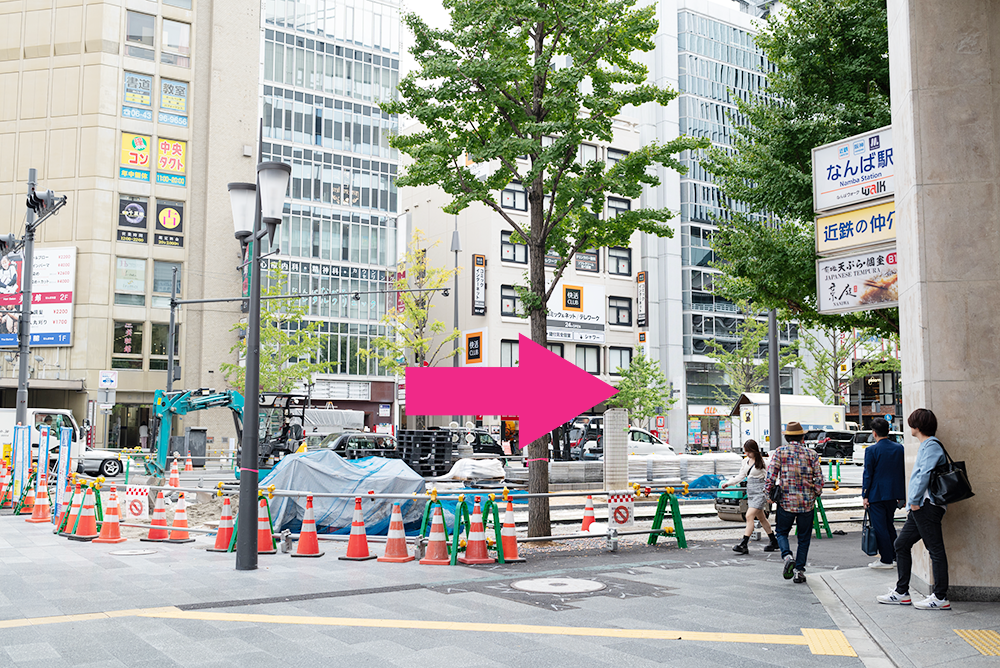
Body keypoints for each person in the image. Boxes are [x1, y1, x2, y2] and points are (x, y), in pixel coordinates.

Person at [877, 408, 951, 610]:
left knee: (935, 550)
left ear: (917, 426)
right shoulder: (926, 445)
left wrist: (914, 501)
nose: (909, 426)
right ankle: (902, 592)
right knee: (901, 544)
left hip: (926, 505)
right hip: (920, 506)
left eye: (911, 423)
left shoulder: (931, 445)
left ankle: (940, 597)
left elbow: (923, 474)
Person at [763, 421, 824, 584]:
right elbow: (819, 477)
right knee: (804, 538)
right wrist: (816, 492)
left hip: (786, 502)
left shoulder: (780, 452)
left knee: (782, 532)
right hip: (807, 503)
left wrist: (768, 494)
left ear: (787, 437)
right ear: (802, 437)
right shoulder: (811, 454)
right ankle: (799, 571)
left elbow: (770, 476)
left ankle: (787, 556)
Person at [862, 417, 905, 569]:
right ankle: (893, 556)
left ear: (874, 433)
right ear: (888, 431)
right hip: (893, 493)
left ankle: (886, 559)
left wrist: (865, 495)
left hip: (876, 494)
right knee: (889, 524)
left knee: (880, 527)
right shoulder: (899, 448)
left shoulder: (871, 450)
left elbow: (868, 474)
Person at [722, 439, 778, 554]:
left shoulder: (764, 462)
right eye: (745, 451)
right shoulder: (745, 461)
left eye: (749, 451)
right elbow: (741, 476)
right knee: (762, 518)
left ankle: (744, 544)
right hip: (751, 492)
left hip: (760, 492)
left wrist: (770, 493)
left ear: (754, 450)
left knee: (749, 516)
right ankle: (773, 541)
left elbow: (771, 478)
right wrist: (729, 483)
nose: (746, 454)